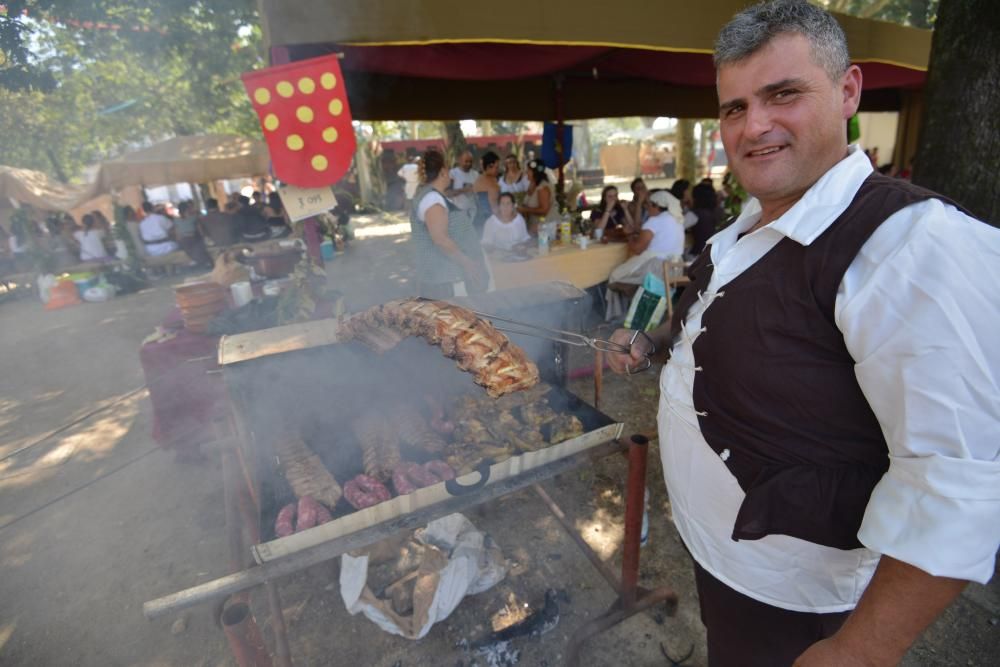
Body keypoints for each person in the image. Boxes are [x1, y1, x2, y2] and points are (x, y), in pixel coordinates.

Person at [605, 2, 1000, 665]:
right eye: (734, 107)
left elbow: (959, 480)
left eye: (782, 94)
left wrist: (862, 649)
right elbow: (706, 325)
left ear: (848, 91)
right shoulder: (744, 229)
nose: (754, 125)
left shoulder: (913, 244)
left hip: (796, 603)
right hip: (720, 561)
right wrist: (647, 343)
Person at [409, 149, 487, 298]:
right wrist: (468, 264)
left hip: (442, 279)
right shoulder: (432, 199)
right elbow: (440, 239)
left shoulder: (432, 196)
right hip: (442, 282)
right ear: (443, 171)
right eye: (448, 169)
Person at [607, 189, 684, 285]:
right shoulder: (677, 220)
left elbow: (637, 249)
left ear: (656, 206)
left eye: (649, 205)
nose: (647, 208)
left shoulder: (655, 221)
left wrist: (629, 235)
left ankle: (634, 300)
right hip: (675, 268)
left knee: (615, 276)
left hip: (657, 268)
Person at [517, 159, 559, 235]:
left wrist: (525, 209)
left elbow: (544, 211)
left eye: (528, 170)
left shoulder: (542, 187)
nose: (526, 172)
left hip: (547, 226)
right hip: (536, 227)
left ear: (535, 172)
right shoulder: (532, 184)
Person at [173, 201, 213, 268]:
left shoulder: (176, 220)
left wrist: (179, 241)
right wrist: (204, 237)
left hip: (184, 241)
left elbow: (177, 233)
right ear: (187, 209)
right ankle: (206, 262)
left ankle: (199, 261)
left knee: (193, 248)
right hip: (193, 238)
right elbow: (200, 230)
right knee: (200, 247)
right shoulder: (193, 218)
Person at [472, 151, 501, 232]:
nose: (498, 170)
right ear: (489, 166)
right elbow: (494, 207)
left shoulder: (479, 179)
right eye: (496, 167)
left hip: (478, 222)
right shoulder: (490, 182)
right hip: (489, 223)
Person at [688, 181, 721, 255]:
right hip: (713, 252)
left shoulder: (694, 214)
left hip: (697, 253)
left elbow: (680, 225)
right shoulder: (718, 211)